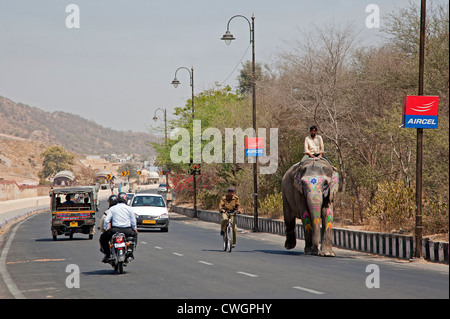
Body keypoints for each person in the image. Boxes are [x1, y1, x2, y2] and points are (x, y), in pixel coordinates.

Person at [99, 192, 137, 263]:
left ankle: (107, 255)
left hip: (115, 230)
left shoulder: (113, 208)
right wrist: (134, 228)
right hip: (127, 230)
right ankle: (130, 253)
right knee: (135, 235)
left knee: (103, 238)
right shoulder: (129, 208)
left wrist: (107, 229)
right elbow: (133, 220)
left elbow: (106, 220)